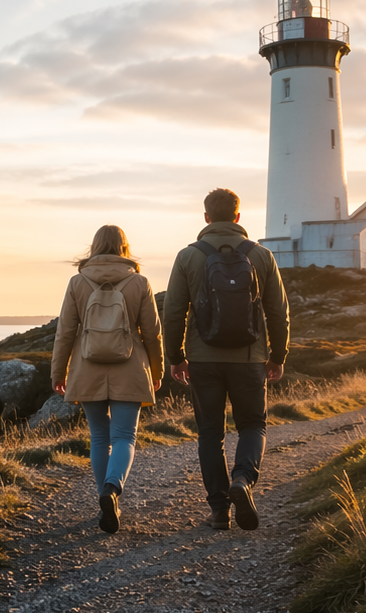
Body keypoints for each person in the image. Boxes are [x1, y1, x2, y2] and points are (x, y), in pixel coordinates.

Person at [162, 188, 290, 531]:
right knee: (253, 425)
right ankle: (243, 481)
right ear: (238, 216)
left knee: (210, 433)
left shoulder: (188, 256)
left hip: (203, 359)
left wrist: (175, 358)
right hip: (250, 358)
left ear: (206, 218)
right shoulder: (261, 255)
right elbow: (278, 312)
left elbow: (173, 312)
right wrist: (277, 355)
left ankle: (219, 511)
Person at [51, 225, 164, 534]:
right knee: (125, 436)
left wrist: (58, 372)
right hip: (130, 367)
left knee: (99, 437)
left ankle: (104, 496)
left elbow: (65, 333)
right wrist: (157, 371)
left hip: (87, 368)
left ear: (95, 246)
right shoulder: (139, 281)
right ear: (124, 247)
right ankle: (113, 491)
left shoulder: (77, 281)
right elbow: (152, 333)